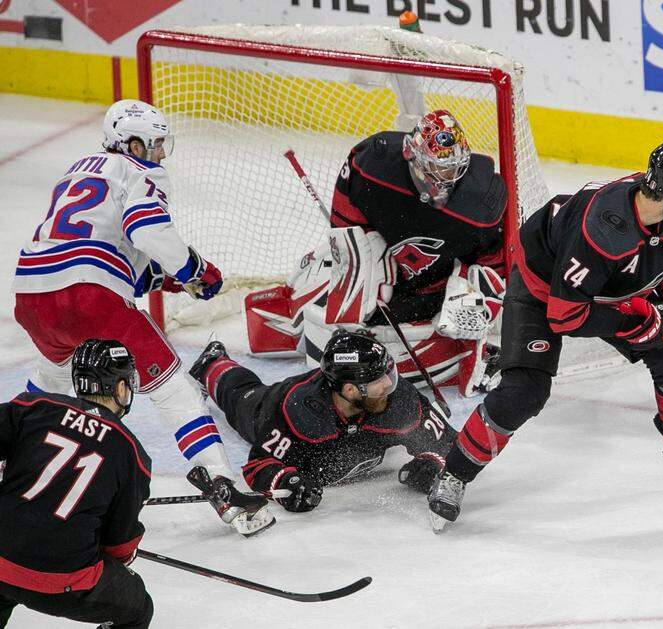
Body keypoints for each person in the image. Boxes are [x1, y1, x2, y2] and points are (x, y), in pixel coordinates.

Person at [426, 141, 663, 531]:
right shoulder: (605, 228)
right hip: (543, 291)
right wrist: (632, 323)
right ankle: (453, 473)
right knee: (524, 390)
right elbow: (566, 316)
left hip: (610, 290)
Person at [11, 98, 273, 535]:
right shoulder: (140, 171)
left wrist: (164, 278)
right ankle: (225, 489)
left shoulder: (80, 167)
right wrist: (192, 269)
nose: (159, 154)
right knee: (175, 389)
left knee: (46, 393)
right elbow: (146, 230)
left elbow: (100, 246)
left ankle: (9, 466)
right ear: (132, 142)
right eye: (154, 144)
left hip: (32, 295)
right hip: (89, 296)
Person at [247, 109, 508, 397]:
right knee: (353, 267)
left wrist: (476, 301)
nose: (449, 178)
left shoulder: (482, 202)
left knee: (461, 307)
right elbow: (345, 224)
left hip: (434, 286)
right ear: (414, 157)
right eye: (441, 169)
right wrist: (356, 260)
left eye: (455, 168)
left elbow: (495, 264)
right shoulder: (374, 165)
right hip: (388, 265)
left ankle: (469, 355)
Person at [189, 329, 457, 513]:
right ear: (351, 390)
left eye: (389, 373)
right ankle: (212, 362)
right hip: (266, 404)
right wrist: (286, 483)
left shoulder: (398, 400)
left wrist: (434, 461)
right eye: (378, 380)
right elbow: (258, 465)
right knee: (240, 395)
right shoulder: (295, 411)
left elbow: (448, 441)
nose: (390, 384)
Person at [0, 340, 153, 628]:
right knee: (137, 608)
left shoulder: (34, 406)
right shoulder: (132, 453)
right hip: (63, 582)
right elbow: (119, 545)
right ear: (120, 388)